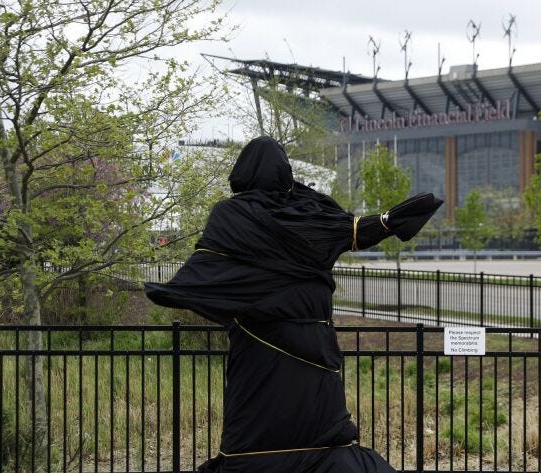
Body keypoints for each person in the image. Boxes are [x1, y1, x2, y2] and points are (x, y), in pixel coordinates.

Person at [145, 137, 442, 473]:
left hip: (259, 348)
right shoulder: (308, 213)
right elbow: (356, 231)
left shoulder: (231, 214)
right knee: (324, 438)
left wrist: (173, 291)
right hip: (311, 345)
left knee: (252, 433)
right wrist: (392, 221)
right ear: (284, 171)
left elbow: (210, 267)